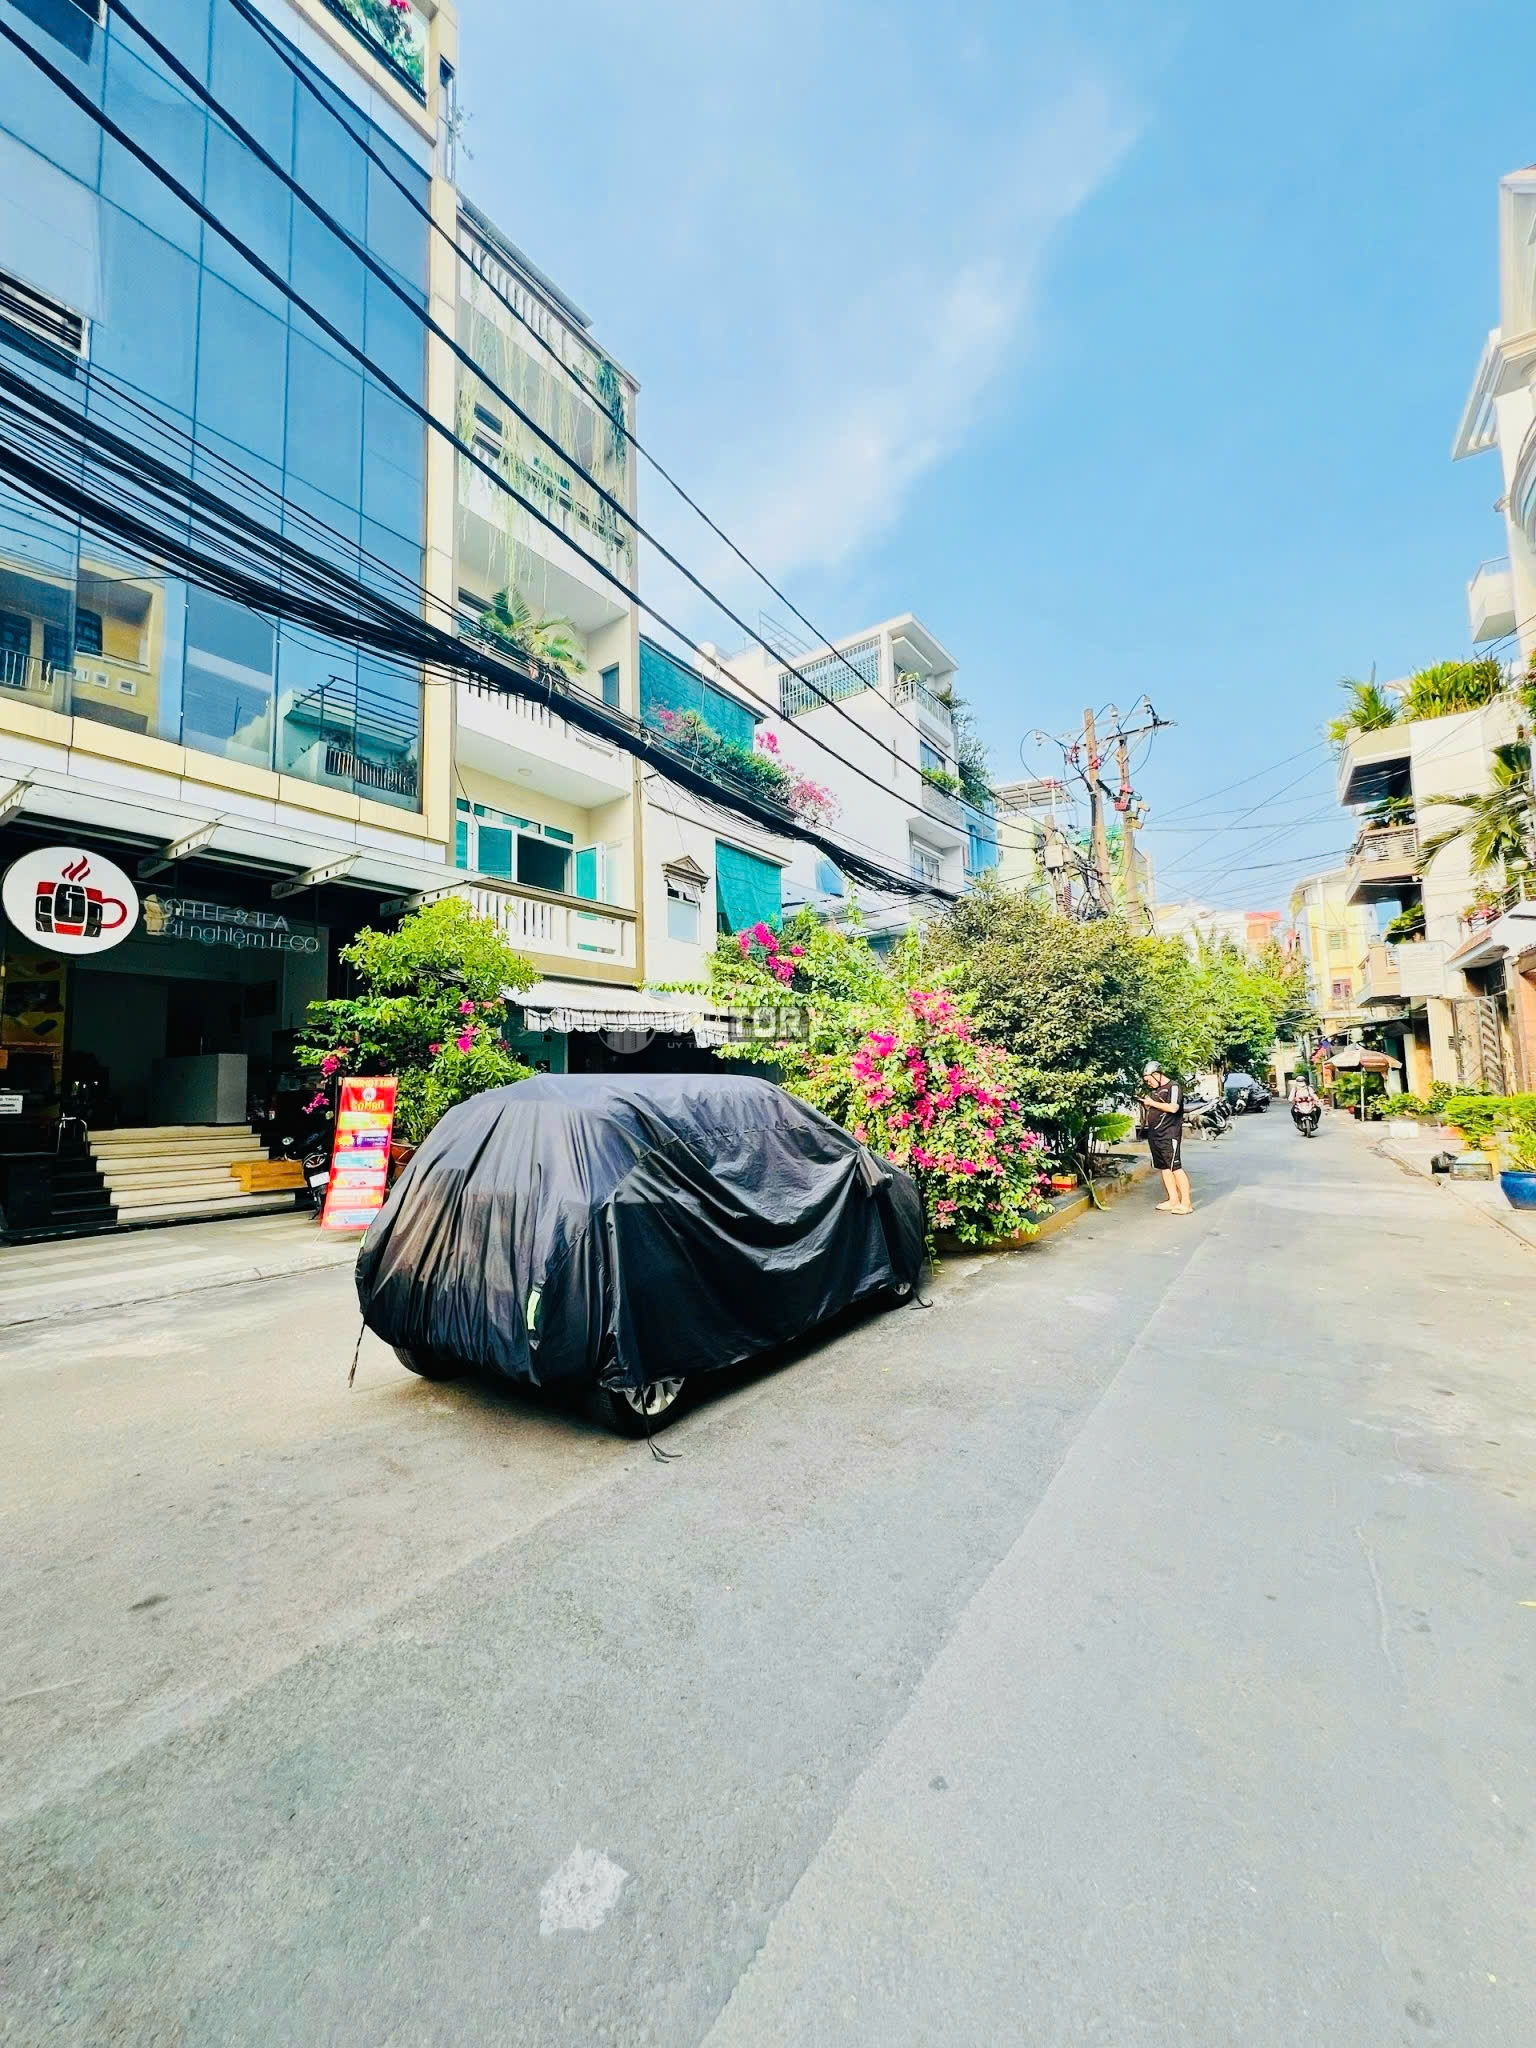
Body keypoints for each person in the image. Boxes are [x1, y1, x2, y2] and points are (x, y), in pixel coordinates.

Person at [1139, 1058, 1193, 1215]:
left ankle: (1186, 1203)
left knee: (1175, 1167)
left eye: (1149, 1080)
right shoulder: (1155, 1091)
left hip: (1169, 1134)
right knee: (1164, 1167)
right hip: (1155, 1134)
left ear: (1157, 1074)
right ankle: (1173, 1199)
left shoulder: (1173, 1087)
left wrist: (1152, 1103)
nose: (1148, 1083)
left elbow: (1173, 1108)